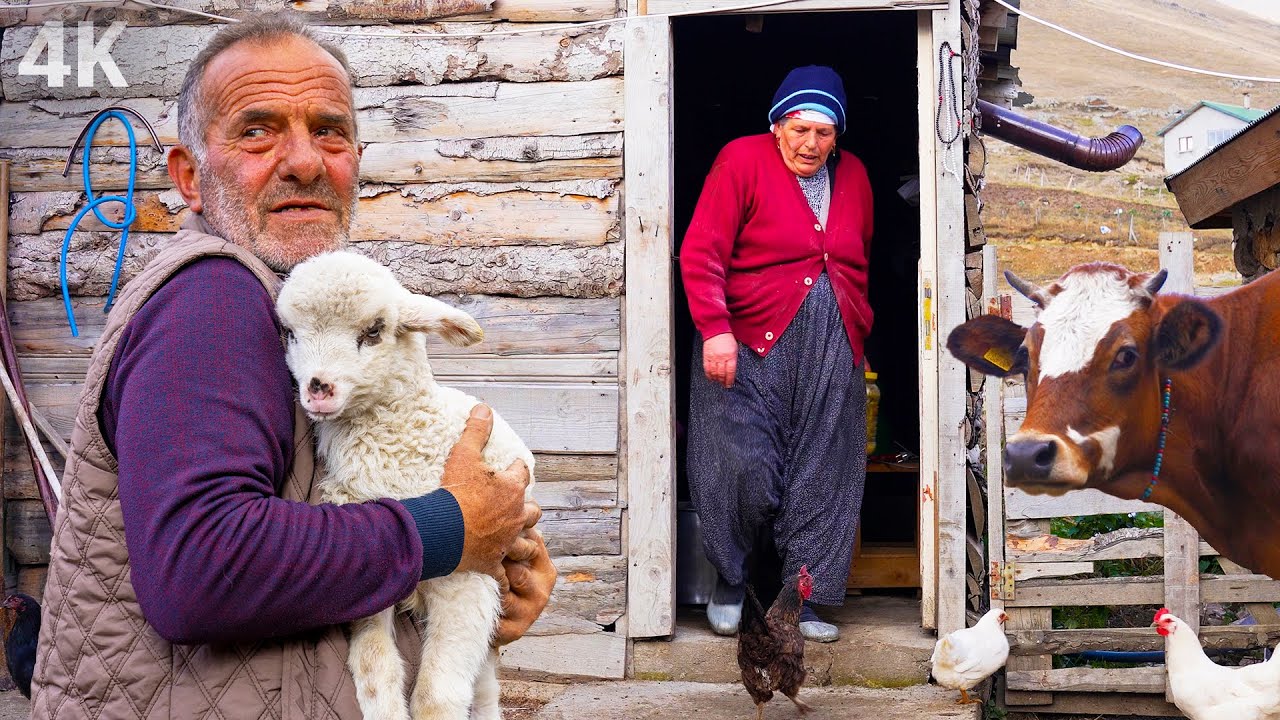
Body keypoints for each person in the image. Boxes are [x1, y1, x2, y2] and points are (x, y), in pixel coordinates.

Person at [30, 15, 556, 718]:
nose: (305, 160)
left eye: (330, 131)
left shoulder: (294, 306)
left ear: (356, 161)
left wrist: (489, 564)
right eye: (257, 129)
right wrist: (446, 529)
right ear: (189, 175)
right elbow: (202, 567)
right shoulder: (211, 297)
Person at [681, 65, 873, 643]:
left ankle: (803, 599)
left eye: (824, 132)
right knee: (741, 465)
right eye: (798, 128)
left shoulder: (857, 175)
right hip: (745, 344)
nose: (810, 144)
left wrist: (858, 331)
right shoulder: (740, 160)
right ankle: (732, 579)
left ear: (838, 135)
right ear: (776, 125)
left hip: (833, 345)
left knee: (824, 472)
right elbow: (701, 250)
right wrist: (715, 329)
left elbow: (857, 259)